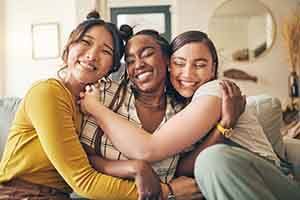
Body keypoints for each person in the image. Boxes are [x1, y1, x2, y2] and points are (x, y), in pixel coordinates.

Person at [80, 30, 300, 199]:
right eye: (180, 64)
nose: (187, 73)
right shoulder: (182, 107)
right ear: (171, 66)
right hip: (227, 179)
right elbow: (184, 167)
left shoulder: (215, 91)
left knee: (212, 159)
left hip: (265, 180)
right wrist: (224, 126)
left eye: (200, 65)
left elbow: (149, 149)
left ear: (213, 68)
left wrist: (96, 109)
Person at [0, 11, 165, 200]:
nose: (92, 55)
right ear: (69, 48)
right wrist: (168, 193)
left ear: (111, 68)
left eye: (105, 51)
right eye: (86, 42)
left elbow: (93, 161)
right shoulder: (48, 92)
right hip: (19, 193)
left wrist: (136, 167)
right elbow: (83, 180)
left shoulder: (90, 103)